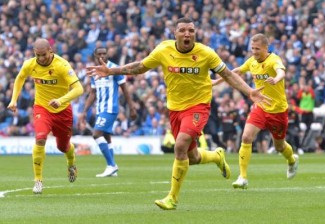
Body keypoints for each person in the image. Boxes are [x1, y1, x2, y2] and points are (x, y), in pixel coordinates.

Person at [86, 17, 271, 210]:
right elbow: (140, 66)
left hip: (198, 107)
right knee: (192, 157)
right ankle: (217, 156)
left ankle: (172, 198)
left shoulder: (206, 53)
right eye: (182, 30)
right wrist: (112, 71)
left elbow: (228, 74)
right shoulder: (164, 50)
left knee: (180, 145)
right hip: (175, 109)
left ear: (195, 33)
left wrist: (249, 91)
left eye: (191, 30)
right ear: (175, 33)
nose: (187, 34)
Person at [217, 33, 299, 189]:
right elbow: (235, 72)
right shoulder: (251, 62)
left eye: (257, 49)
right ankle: (243, 177)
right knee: (246, 137)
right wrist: (217, 81)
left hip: (277, 110)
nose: (254, 52)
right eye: (252, 48)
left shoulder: (273, 60)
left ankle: (292, 160)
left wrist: (276, 79)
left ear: (266, 48)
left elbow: (281, 70)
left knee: (279, 146)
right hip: (260, 106)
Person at [7, 38, 84, 194]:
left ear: (51, 51)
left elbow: (79, 89)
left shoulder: (62, 65)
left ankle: (71, 163)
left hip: (62, 110)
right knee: (40, 137)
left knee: (63, 147)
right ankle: (38, 181)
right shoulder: (30, 64)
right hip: (42, 108)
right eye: (38, 55)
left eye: (44, 55)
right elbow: (20, 78)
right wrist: (13, 100)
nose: (41, 59)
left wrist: (61, 100)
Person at [79, 47, 137, 177]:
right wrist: (84, 111)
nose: (102, 56)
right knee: (106, 137)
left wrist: (132, 107)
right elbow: (92, 93)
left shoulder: (114, 69)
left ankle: (111, 165)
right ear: (95, 56)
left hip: (110, 109)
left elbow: (125, 88)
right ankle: (112, 169)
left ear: (107, 55)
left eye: (104, 54)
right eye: (99, 54)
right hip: (100, 109)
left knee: (96, 134)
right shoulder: (95, 71)